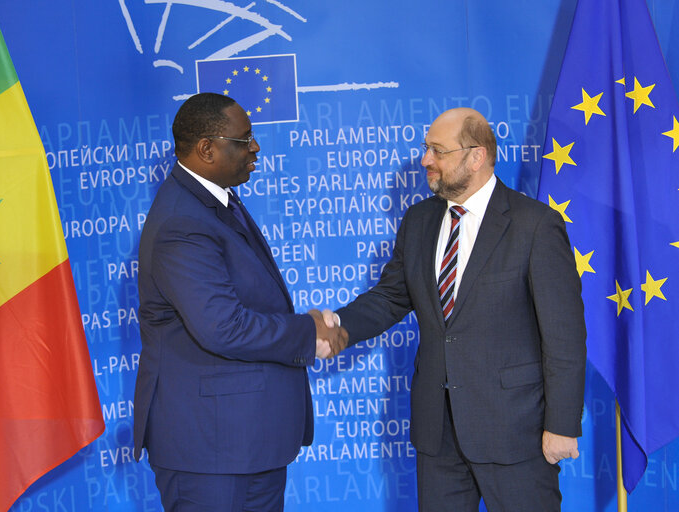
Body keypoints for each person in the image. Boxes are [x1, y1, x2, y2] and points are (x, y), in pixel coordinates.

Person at [327, 108, 586, 511]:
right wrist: (337, 325)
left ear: (476, 156)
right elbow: (391, 297)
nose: (426, 160)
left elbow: (564, 336)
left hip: (516, 431)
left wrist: (562, 425)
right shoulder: (418, 221)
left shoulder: (534, 225)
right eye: (426, 149)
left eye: (437, 151)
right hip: (438, 435)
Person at [133, 92, 347, 512]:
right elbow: (223, 327)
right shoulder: (182, 221)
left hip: (245, 443)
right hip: (211, 451)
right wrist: (308, 333)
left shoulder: (213, 201)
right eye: (244, 139)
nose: (255, 148)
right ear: (207, 149)